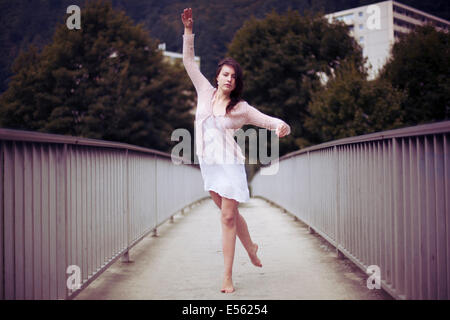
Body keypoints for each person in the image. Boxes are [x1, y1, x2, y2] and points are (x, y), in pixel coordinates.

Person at [181, 8, 291, 293]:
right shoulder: (204, 92)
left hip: (229, 165)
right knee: (227, 211)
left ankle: (228, 277)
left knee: (228, 216)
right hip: (208, 163)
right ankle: (251, 246)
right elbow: (188, 62)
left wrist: (283, 127)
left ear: (236, 83)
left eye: (233, 77)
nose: (229, 79)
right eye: (225, 74)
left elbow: (269, 121)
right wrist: (189, 31)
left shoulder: (240, 109)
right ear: (217, 76)